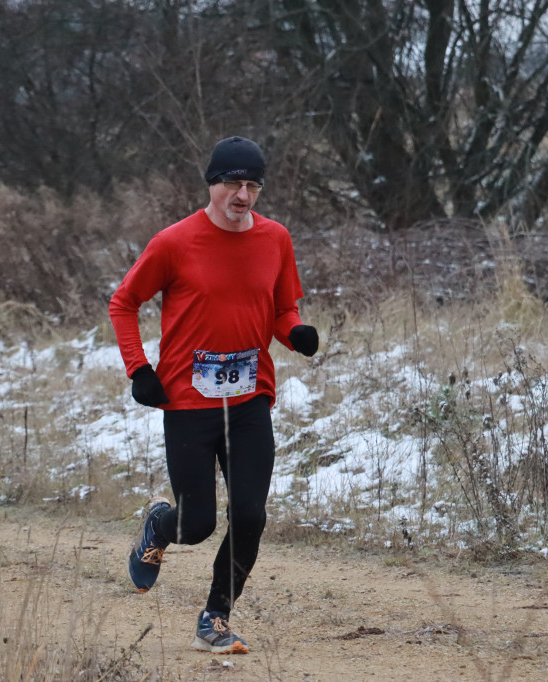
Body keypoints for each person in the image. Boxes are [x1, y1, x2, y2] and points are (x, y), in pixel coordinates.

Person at [108, 136, 318, 655]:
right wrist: (140, 369)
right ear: (213, 184)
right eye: (233, 183)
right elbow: (123, 302)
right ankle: (161, 522)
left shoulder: (275, 239)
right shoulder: (175, 242)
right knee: (197, 524)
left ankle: (215, 617)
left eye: (252, 185)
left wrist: (295, 334)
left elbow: (279, 310)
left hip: (249, 401)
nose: (242, 195)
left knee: (251, 515)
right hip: (186, 403)